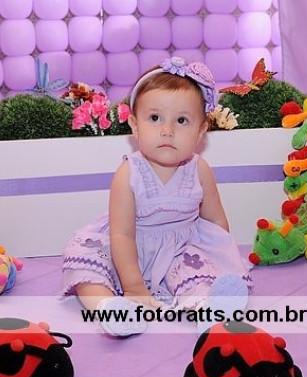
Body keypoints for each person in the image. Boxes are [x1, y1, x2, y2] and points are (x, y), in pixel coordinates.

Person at [61, 57, 252, 336]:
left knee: (196, 273)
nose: (167, 131)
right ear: (135, 125)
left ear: (201, 130)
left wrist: (220, 260)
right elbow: (121, 234)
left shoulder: (199, 170)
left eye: (182, 120)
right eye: (154, 118)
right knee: (86, 268)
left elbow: (216, 222)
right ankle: (109, 308)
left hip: (180, 249)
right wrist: (133, 286)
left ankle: (208, 309)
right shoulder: (128, 173)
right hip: (129, 250)